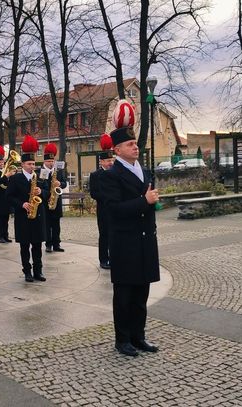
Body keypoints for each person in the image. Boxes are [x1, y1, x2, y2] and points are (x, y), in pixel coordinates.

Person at [102, 100, 160, 357]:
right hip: (125, 243)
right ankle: (122, 339)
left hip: (145, 240)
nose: (135, 146)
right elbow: (113, 210)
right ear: (117, 149)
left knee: (141, 294)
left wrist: (151, 203)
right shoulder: (110, 175)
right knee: (124, 295)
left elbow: (146, 204)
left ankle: (139, 336)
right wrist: (143, 201)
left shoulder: (144, 171)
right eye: (130, 144)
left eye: (135, 143)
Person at [6, 135, 48, 282]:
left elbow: (48, 193)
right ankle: (27, 272)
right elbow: (9, 197)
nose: (32, 166)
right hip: (23, 217)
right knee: (24, 247)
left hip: (38, 216)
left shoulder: (40, 178)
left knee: (37, 246)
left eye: (33, 163)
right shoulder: (15, 179)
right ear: (22, 164)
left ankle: (38, 271)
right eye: (29, 164)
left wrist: (41, 192)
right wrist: (22, 204)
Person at [89, 135, 115, 270]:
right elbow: (94, 193)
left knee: (115, 234)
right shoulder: (95, 175)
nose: (110, 163)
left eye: (112, 159)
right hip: (104, 210)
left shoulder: (116, 173)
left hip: (116, 209)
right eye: (107, 160)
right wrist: (108, 197)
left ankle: (115, 257)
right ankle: (104, 259)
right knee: (104, 235)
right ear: (101, 162)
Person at [38, 143, 67, 253]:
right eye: (49, 161)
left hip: (56, 201)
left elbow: (64, 183)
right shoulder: (41, 172)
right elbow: (40, 186)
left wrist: (60, 183)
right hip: (45, 202)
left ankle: (57, 244)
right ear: (44, 161)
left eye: (52, 161)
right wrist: (48, 195)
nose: (51, 163)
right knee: (47, 224)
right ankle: (48, 244)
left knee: (56, 224)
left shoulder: (57, 171)